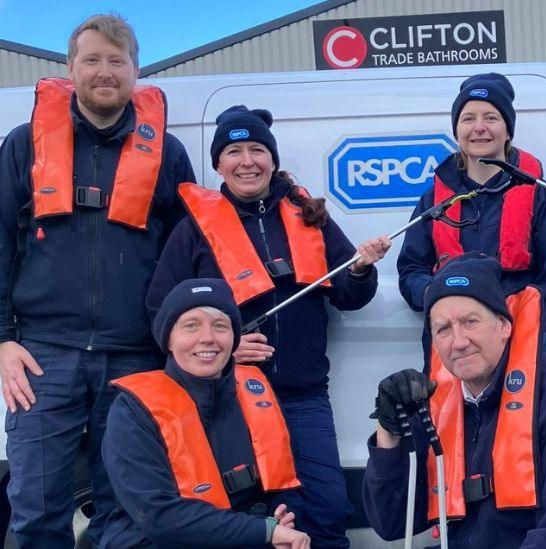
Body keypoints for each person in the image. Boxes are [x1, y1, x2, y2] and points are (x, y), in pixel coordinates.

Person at [146, 105, 389, 547]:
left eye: (257, 149)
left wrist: (360, 270)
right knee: (256, 517)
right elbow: (160, 311)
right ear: (218, 164)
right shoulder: (193, 229)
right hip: (229, 400)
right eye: (234, 151)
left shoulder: (308, 215)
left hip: (305, 397)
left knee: (329, 510)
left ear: (273, 159)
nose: (247, 161)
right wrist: (221, 348)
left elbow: (350, 297)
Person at [0, 14, 196, 548]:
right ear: (70, 68)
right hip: (41, 358)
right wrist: (3, 341)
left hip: (136, 357)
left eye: (116, 61)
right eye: (92, 60)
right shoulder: (23, 145)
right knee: (37, 515)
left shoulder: (168, 155)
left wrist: (174, 345)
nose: (104, 72)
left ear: (136, 71)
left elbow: (187, 260)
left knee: (128, 515)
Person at [363, 253, 546, 548]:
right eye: (443, 329)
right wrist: (389, 429)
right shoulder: (436, 404)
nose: (459, 341)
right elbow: (391, 522)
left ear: (505, 326)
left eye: (470, 322)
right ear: (434, 342)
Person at [101, 278, 311, 548]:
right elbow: (157, 515)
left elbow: (286, 484)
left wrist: (282, 518)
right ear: (168, 339)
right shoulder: (133, 409)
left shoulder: (256, 393)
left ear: (234, 338)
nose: (208, 338)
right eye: (191, 325)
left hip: (244, 536)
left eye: (220, 326)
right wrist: (265, 530)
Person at [397, 73, 546, 361]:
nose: (479, 128)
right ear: (457, 131)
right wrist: (434, 293)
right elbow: (410, 270)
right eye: (468, 119)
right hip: (456, 348)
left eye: (491, 118)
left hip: (524, 343)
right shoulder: (433, 202)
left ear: (508, 131)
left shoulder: (539, 195)